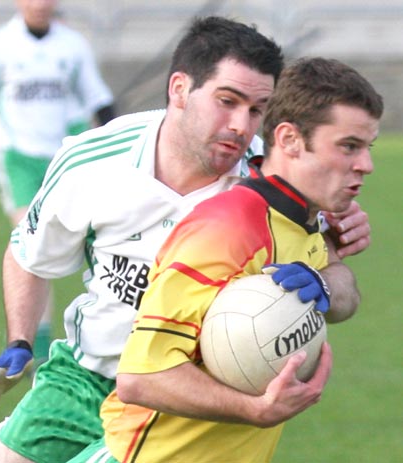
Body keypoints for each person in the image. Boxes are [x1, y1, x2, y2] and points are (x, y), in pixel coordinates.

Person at [0, 16, 371, 463]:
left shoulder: (269, 182)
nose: (242, 126)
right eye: (227, 101)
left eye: (257, 109)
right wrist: (20, 342)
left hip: (180, 403)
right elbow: (28, 255)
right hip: (83, 377)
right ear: (179, 89)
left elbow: (332, 277)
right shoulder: (92, 160)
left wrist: (333, 250)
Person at [92, 56, 383, 463]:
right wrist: (255, 411)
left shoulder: (302, 217)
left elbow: (342, 291)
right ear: (289, 140)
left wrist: (325, 284)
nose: (365, 165)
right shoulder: (227, 228)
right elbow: (141, 378)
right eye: (348, 147)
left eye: (366, 148)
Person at [0, 0, 116, 367]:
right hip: (16, 159)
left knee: (98, 239)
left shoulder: (72, 46)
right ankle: (35, 354)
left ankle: (103, 334)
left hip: (65, 155)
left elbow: (101, 102)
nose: (39, 4)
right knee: (33, 244)